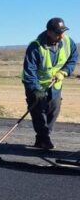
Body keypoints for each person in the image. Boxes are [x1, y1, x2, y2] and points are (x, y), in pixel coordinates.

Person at [22, 18, 77, 150]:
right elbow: (30, 71)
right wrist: (35, 90)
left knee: (53, 110)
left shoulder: (68, 42)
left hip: (55, 86)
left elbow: (73, 58)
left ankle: (43, 138)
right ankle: (44, 139)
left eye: (62, 32)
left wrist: (64, 72)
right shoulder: (35, 46)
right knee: (38, 113)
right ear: (49, 32)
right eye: (58, 33)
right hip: (37, 86)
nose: (61, 36)